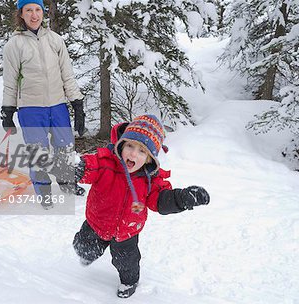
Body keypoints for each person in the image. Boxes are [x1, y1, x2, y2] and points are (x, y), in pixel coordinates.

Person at [72, 115, 210, 298]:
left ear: (149, 158)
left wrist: (183, 198)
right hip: (97, 222)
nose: (133, 154)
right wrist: (76, 167)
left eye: (142, 151)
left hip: (128, 231)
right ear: (121, 144)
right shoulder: (105, 163)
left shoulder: (151, 179)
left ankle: (129, 282)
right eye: (129, 145)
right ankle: (87, 253)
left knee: (127, 262)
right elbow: (90, 165)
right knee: (83, 246)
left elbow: (161, 200)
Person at [0, 0, 86, 209]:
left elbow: (67, 74)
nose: (34, 15)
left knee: (65, 147)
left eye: (37, 9)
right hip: (30, 109)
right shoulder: (14, 44)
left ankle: (67, 183)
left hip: (57, 105)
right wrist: (8, 111)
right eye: (28, 10)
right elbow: (10, 81)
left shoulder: (55, 40)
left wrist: (77, 104)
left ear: (43, 12)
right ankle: (43, 190)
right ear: (21, 14)